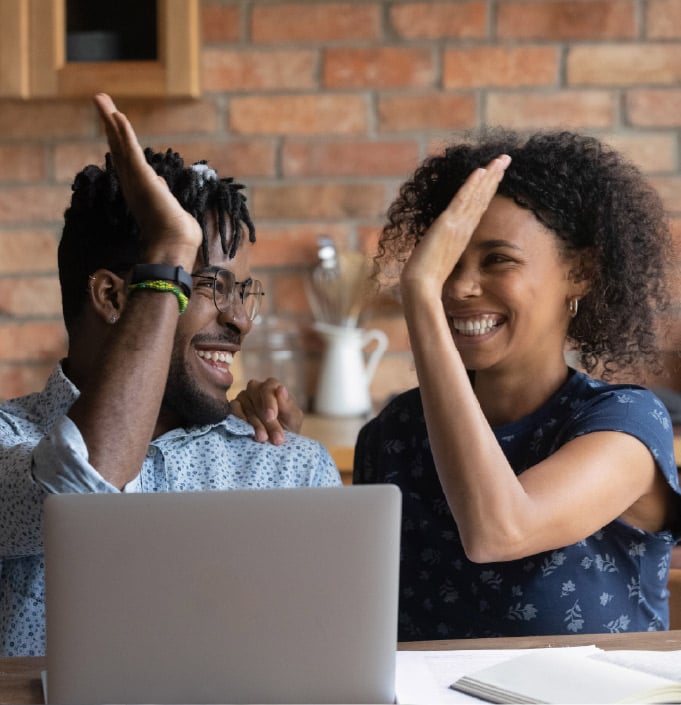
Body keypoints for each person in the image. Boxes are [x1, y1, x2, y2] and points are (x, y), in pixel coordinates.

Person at [0, 93, 340, 657]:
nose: (241, 320)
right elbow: (84, 482)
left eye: (243, 292)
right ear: (114, 296)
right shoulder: (9, 440)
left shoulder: (288, 466)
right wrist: (169, 250)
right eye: (209, 285)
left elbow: (329, 659)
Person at [352, 129, 681, 640]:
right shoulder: (395, 433)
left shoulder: (626, 427)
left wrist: (418, 292)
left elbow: (499, 531)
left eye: (497, 259)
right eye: (447, 263)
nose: (459, 287)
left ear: (582, 271)